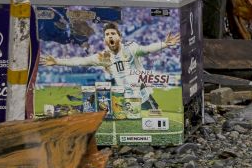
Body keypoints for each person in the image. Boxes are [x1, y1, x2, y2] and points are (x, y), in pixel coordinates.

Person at [41, 21, 180, 112]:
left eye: (113, 33)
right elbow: (80, 61)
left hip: (143, 96)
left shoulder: (131, 48)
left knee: (155, 117)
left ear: (119, 37)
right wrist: (57, 61)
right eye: (107, 34)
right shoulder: (103, 57)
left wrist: (164, 44)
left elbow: (147, 49)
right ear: (104, 40)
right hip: (123, 98)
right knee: (95, 108)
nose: (110, 36)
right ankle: (57, 109)